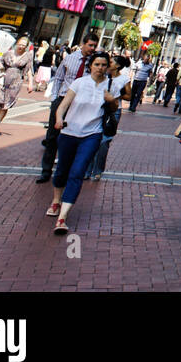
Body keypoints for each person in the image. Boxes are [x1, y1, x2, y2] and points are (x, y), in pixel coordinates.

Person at [46, 51, 116, 234]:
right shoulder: (79, 83)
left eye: (103, 65)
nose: (100, 68)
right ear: (90, 66)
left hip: (92, 134)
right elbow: (63, 105)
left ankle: (62, 217)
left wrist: (112, 100)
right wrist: (59, 119)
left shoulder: (110, 86)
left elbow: (115, 107)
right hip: (69, 132)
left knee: (77, 172)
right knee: (62, 170)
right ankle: (56, 200)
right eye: (97, 64)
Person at [36, 33, 98, 184]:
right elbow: (58, 78)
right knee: (52, 136)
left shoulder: (94, 62)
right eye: (90, 45)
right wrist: (55, 98)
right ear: (83, 44)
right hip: (63, 99)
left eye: (95, 46)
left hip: (80, 104)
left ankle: (66, 171)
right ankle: (46, 170)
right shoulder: (70, 58)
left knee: (72, 137)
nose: (92, 48)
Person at [86, 55, 132, 181]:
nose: (107, 64)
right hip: (98, 108)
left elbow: (129, 96)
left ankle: (98, 170)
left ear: (117, 66)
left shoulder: (124, 79)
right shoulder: (103, 75)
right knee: (92, 138)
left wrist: (116, 95)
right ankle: (87, 169)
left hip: (113, 111)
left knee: (104, 141)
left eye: (110, 62)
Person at [0, 37, 34, 136]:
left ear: (26, 47)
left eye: (23, 45)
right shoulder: (9, 53)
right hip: (3, 81)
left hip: (16, 83)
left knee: (5, 106)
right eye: (20, 44)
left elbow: (29, 70)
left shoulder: (28, 56)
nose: (21, 46)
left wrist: (30, 83)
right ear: (17, 43)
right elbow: (0, 63)